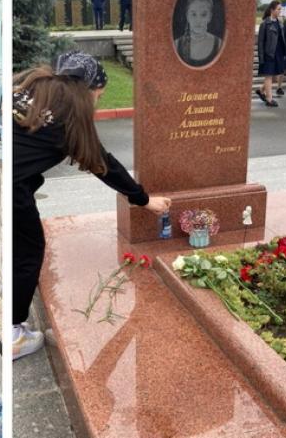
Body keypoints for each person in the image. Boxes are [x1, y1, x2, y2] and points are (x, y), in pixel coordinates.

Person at [12, 51, 171, 360]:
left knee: (20, 250)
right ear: (87, 89)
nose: (98, 100)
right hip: (13, 188)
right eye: (99, 94)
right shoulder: (69, 116)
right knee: (30, 251)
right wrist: (143, 200)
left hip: (3, 177)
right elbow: (103, 163)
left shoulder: (36, 86)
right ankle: (13, 334)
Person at [174, 0, 222, 66]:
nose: (198, 20)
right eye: (193, 14)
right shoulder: (176, 46)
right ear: (187, 16)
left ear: (210, 16)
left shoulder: (219, 45)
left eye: (203, 15)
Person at [255, 1, 286, 107]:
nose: (280, 11)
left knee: (274, 75)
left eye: (280, 9)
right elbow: (260, 42)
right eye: (278, 9)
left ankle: (261, 90)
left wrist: (284, 52)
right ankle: (269, 99)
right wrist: (261, 57)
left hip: (279, 53)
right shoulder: (265, 24)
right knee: (269, 76)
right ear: (272, 10)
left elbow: (282, 39)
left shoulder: (280, 23)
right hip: (269, 53)